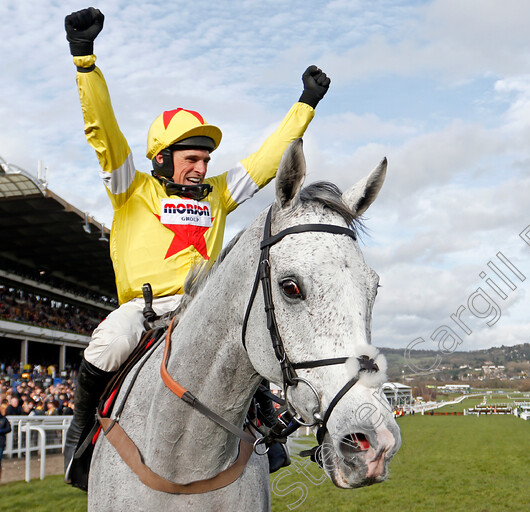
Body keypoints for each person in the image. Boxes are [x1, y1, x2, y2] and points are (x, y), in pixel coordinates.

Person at [62, 7, 329, 488]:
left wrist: (305, 105)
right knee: (106, 345)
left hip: (203, 311)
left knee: (251, 353)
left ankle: (267, 443)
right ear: (163, 159)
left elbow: (269, 159)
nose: (202, 167)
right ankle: (80, 437)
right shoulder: (132, 189)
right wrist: (85, 61)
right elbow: (103, 132)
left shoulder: (220, 195)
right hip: (144, 312)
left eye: (206, 159)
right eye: (192, 158)